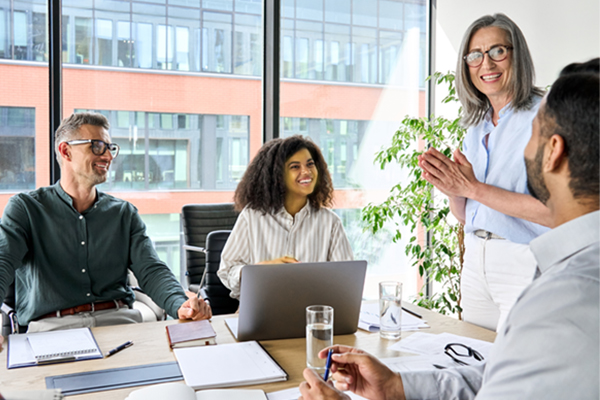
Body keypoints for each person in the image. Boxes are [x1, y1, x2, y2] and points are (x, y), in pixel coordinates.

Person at [298, 60, 599, 400]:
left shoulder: (565, 298)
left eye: (532, 133)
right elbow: (504, 372)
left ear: (553, 152)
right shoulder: (571, 278)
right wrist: (398, 387)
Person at [0, 112, 211, 333]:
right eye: (97, 146)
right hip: (52, 329)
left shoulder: (123, 213)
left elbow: (151, 270)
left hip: (120, 323)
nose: (108, 157)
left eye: (110, 148)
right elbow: (3, 263)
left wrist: (181, 304)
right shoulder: (26, 208)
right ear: (66, 151)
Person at [418, 13, 552, 331]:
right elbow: (470, 216)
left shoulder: (548, 115)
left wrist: (473, 187)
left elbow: (557, 214)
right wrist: (454, 190)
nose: (486, 64)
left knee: (517, 373)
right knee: (475, 364)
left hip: (524, 261)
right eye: (475, 55)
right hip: (476, 261)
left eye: (497, 52)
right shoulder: (476, 125)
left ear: (517, 55)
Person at [217, 135, 354, 299]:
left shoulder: (330, 222)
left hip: (313, 314)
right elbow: (227, 270)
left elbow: (348, 280)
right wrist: (260, 270)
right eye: (295, 166)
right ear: (277, 175)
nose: (306, 172)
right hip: (262, 310)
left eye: (310, 164)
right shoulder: (252, 216)